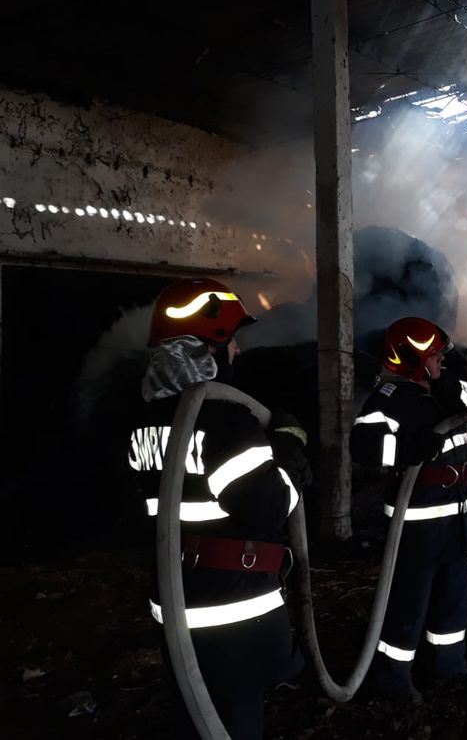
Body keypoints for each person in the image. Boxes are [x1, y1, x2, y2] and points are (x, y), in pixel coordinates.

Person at [128, 278, 305, 739]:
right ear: (210, 348)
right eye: (231, 340)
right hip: (235, 607)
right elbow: (271, 506)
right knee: (234, 715)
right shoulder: (225, 419)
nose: (238, 352)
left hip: (176, 600)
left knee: (195, 707)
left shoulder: (142, 421)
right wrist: (289, 451)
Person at [350, 316, 467, 704]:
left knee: (453, 596)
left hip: (456, 517)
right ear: (415, 360)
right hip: (416, 522)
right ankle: (392, 679)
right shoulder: (390, 399)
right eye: (436, 355)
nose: (442, 359)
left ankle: (448, 668)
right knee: (409, 601)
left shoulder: (446, 388)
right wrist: (405, 450)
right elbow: (364, 447)